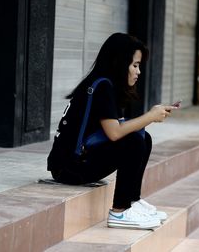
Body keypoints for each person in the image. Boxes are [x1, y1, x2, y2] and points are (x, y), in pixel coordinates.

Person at [47, 33, 177, 230]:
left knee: (143, 138)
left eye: (139, 66)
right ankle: (120, 211)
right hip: (69, 168)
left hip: (77, 161)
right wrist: (150, 116)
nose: (138, 72)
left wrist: (149, 119)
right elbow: (115, 133)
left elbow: (115, 130)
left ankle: (132, 201)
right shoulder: (102, 87)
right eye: (135, 65)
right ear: (119, 63)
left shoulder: (106, 85)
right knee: (133, 141)